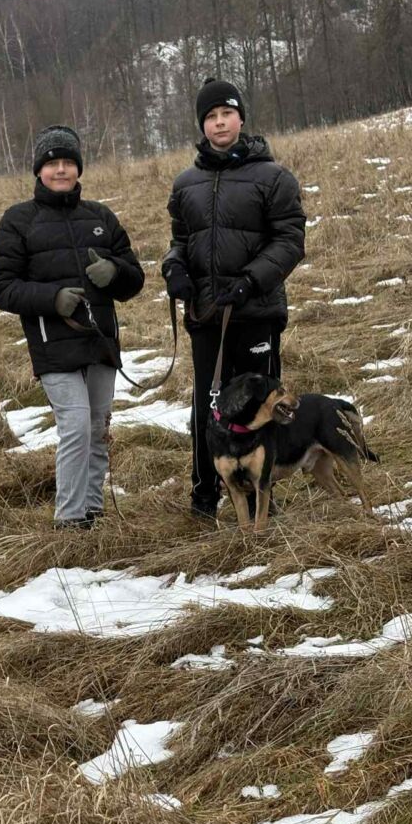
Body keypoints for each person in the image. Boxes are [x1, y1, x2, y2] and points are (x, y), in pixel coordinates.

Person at [0, 125, 145, 529]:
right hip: (53, 345)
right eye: (52, 163)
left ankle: (92, 512)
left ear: (78, 168)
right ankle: (69, 521)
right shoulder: (18, 220)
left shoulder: (101, 217)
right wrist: (51, 298)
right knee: (75, 427)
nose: (61, 170)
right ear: (39, 170)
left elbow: (134, 280)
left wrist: (115, 272)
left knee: (97, 428)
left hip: (101, 342)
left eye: (68, 162)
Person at [162, 78, 306, 522]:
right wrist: (174, 268)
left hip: (257, 313)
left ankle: (264, 500)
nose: (219, 122)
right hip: (207, 318)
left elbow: (290, 241)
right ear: (202, 125)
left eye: (226, 113)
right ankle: (204, 496)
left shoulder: (274, 177)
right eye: (210, 116)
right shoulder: (186, 184)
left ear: (241, 118)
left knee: (262, 408)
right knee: (208, 411)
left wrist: (250, 281)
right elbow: (179, 241)